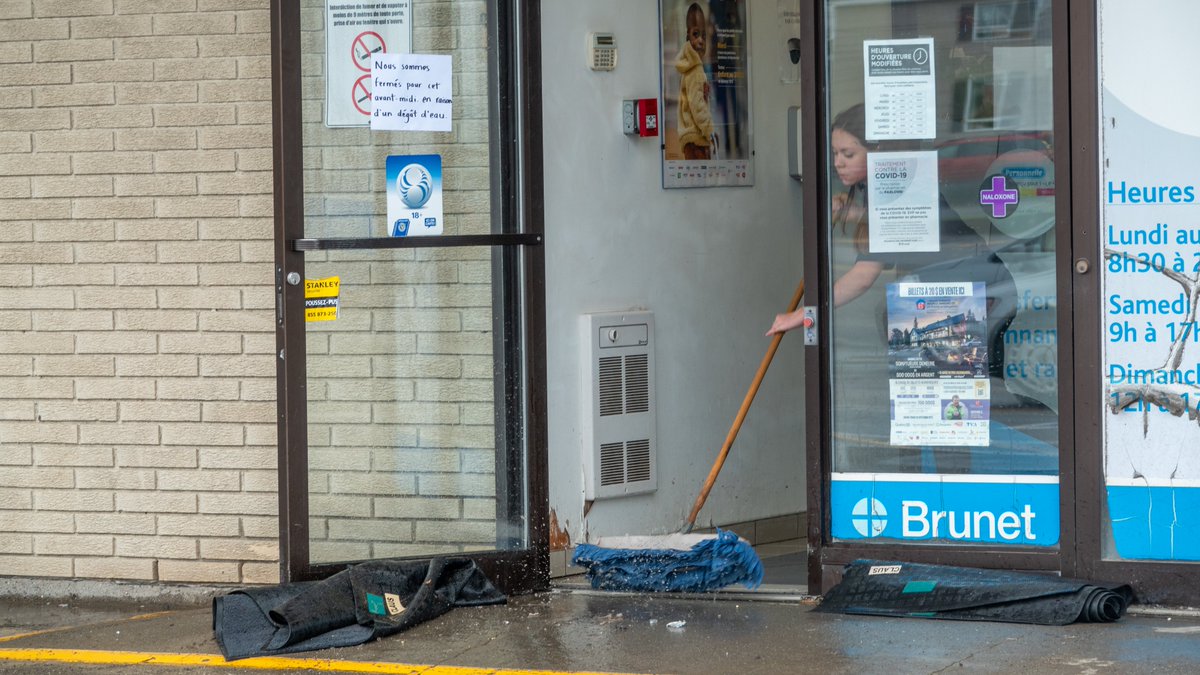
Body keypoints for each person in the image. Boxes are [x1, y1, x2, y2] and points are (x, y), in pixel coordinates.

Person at [675, 2, 714, 160]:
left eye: (703, 35)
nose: (701, 40)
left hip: (688, 139)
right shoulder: (695, 70)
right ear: (687, 38)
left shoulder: (688, 67)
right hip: (697, 139)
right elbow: (697, 105)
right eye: (695, 34)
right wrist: (709, 129)